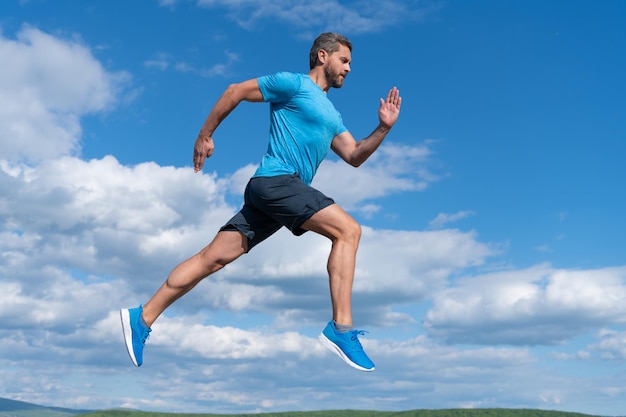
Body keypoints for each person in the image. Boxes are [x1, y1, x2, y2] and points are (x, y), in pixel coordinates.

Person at [120, 32, 401, 372]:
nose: (350, 69)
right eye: (345, 60)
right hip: (276, 182)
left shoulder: (331, 115)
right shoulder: (293, 84)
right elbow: (234, 91)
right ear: (323, 57)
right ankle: (341, 329)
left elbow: (354, 155)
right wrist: (205, 135)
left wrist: (383, 128)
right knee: (348, 231)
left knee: (213, 259)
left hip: (274, 195)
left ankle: (143, 317)